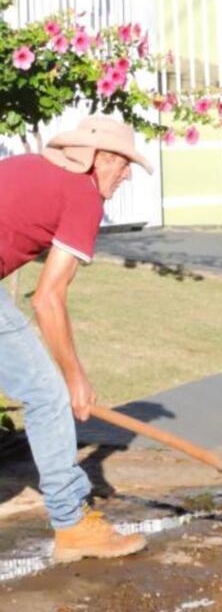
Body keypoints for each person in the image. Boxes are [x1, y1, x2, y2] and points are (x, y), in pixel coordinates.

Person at [0, 115, 153, 563]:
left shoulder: (28, 167)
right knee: (47, 395)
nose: (126, 176)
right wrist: (75, 378)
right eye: (124, 164)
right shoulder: (83, 195)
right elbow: (47, 298)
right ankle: (72, 523)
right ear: (99, 158)